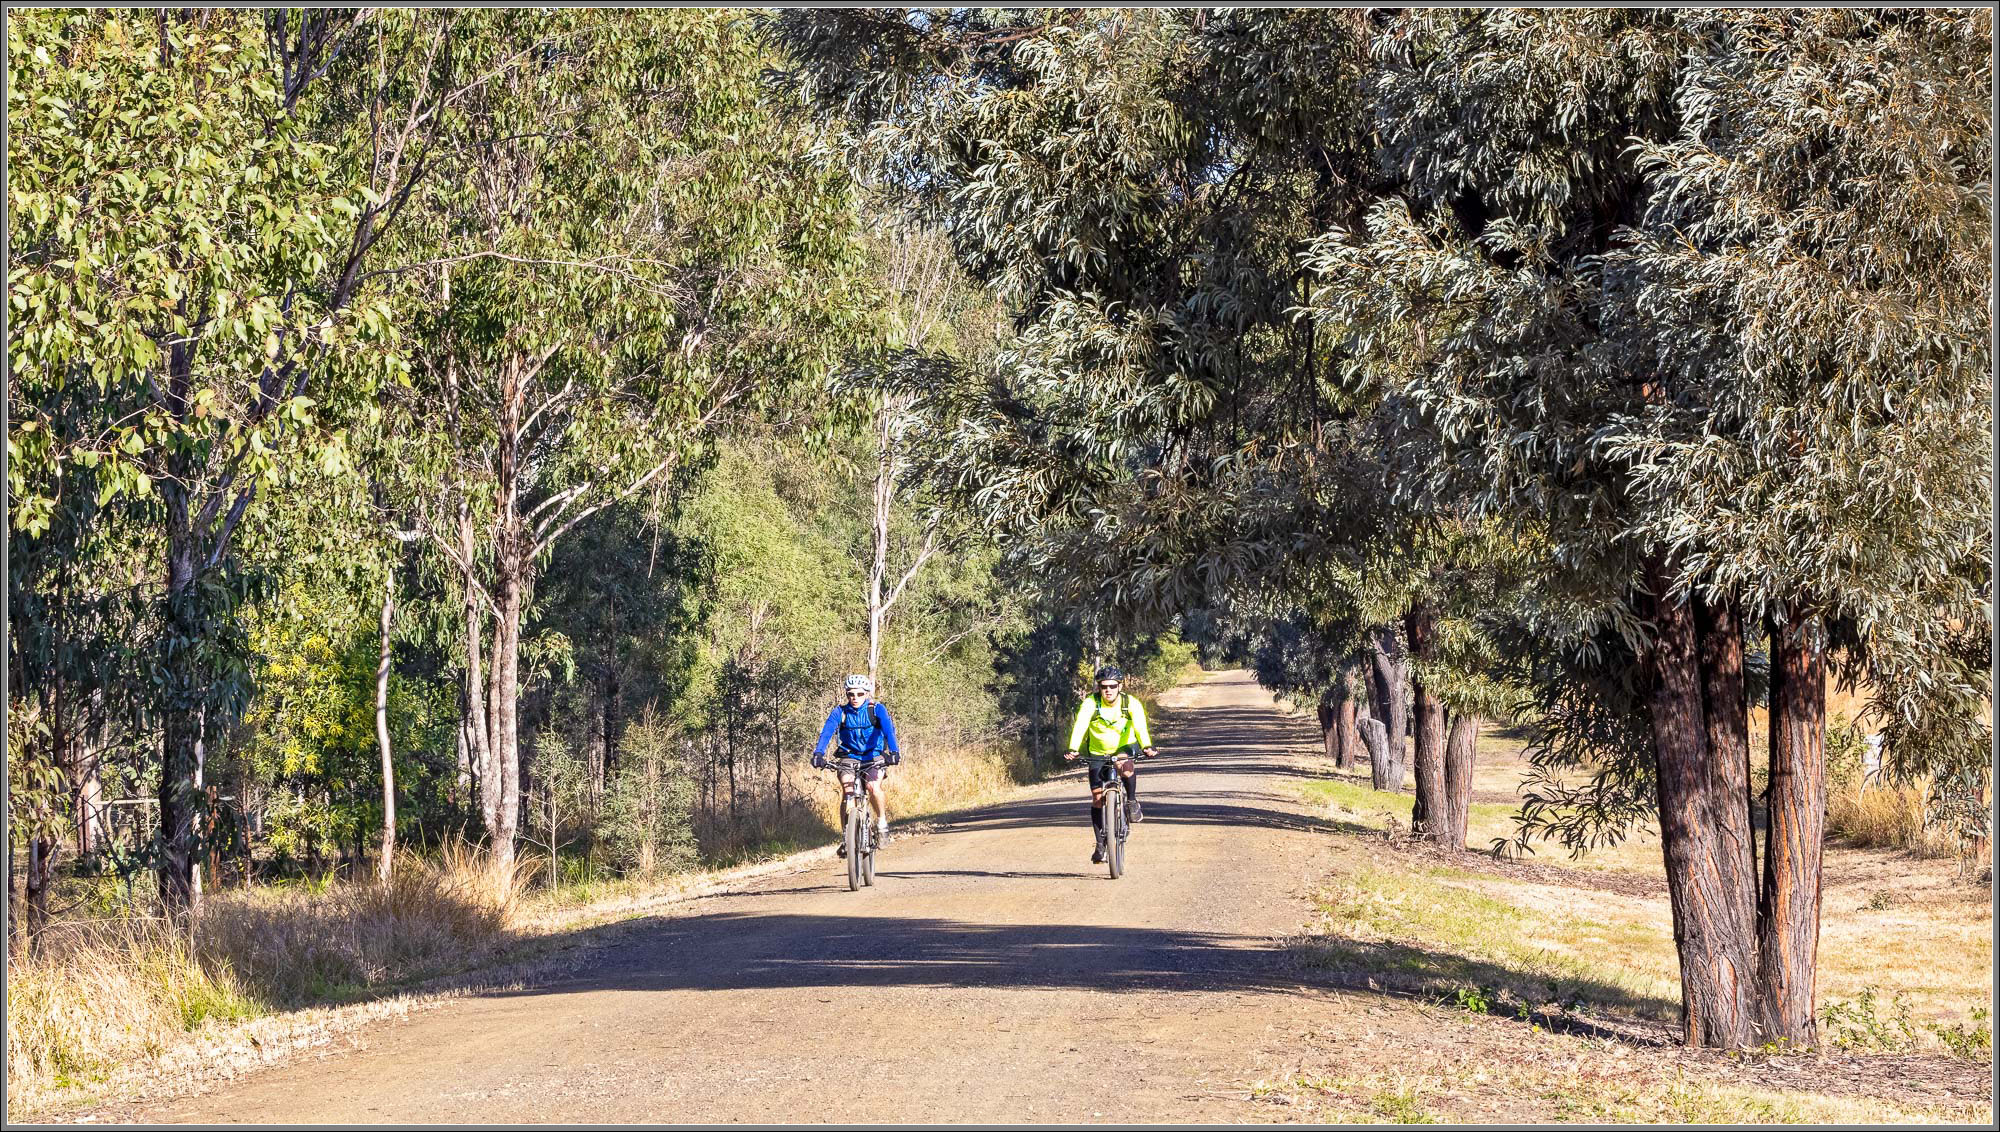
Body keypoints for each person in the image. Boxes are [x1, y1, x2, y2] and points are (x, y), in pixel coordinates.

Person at [1063, 665, 1157, 864]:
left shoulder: (1130, 703)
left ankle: (1131, 801)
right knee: (1097, 798)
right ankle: (1100, 845)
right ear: (1099, 687)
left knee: (1125, 765)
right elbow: (1080, 725)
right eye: (1103, 686)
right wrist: (1073, 748)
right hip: (1098, 751)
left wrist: (1147, 745)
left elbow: (1140, 726)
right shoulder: (1091, 703)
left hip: (1124, 746)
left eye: (1112, 686)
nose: (1108, 690)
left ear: (1120, 686)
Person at [811, 674, 902, 856]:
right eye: (850, 694)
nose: (855, 698)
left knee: (873, 786)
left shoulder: (876, 709)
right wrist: (818, 753)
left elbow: (888, 731)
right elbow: (827, 732)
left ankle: (882, 823)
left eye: (859, 694)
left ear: (866, 694)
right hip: (849, 757)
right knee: (847, 790)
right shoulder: (840, 712)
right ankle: (847, 837)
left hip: (873, 756)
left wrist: (894, 752)